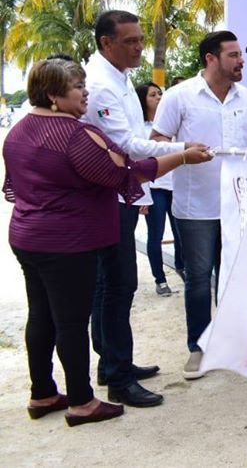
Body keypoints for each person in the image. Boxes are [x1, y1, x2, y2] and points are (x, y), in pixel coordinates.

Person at [4, 59, 210, 426]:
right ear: (53, 94)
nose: (85, 93)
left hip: (28, 237)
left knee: (42, 317)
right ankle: (82, 402)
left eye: (84, 84)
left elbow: (17, 184)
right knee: (70, 322)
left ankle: (43, 393)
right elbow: (124, 174)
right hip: (67, 242)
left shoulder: (20, 131)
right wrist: (181, 157)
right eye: (76, 87)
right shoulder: (74, 135)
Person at [151, 31, 247, 379]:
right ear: (210, 59)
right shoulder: (180, 96)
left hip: (238, 203)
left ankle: (235, 343)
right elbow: (157, 141)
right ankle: (198, 348)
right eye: (233, 55)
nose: (241, 61)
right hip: (196, 205)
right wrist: (184, 150)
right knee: (199, 278)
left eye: (241, 55)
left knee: (235, 275)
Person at [82, 10, 194, 408]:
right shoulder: (100, 85)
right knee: (118, 286)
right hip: (111, 196)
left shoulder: (120, 78)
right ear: (106, 43)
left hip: (120, 194)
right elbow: (127, 145)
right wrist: (181, 151)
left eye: (141, 39)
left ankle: (109, 361)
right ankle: (118, 376)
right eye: (130, 41)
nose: (139, 47)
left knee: (107, 286)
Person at [136, 82, 185, 295]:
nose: (158, 97)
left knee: (181, 233)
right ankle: (160, 279)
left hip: (176, 186)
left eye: (160, 93)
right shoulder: (141, 128)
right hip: (155, 188)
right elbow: (139, 161)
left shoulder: (172, 123)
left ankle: (182, 268)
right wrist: (143, 196)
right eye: (153, 95)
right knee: (155, 235)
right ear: (143, 100)